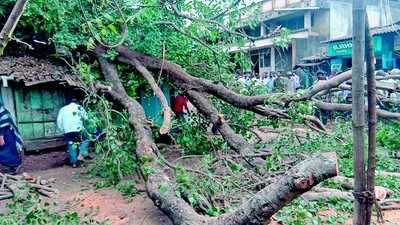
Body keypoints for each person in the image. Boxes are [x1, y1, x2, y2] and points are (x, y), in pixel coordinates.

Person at [57, 97, 89, 168]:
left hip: (68, 131)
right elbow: (86, 118)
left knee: (71, 145)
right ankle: (81, 155)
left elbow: (59, 121)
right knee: (86, 140)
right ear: (76, 102)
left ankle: (74, 163)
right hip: (78, 130)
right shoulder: (79, 107)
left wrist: (63, 130)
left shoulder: (62, 109)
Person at [0, 105, 23, 174]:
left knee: (7, 151)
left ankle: (15, 167)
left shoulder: (1, 110)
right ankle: (9, 168)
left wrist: (1, 136)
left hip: (5, 133)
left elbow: (5, 121)